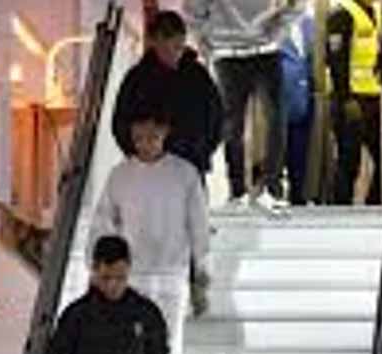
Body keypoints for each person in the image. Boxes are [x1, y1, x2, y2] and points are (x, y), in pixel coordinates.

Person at [90, 105, 208, 354]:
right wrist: (97, 267)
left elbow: (198, 224)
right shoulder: (120, 175)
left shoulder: (184, 174)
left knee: (168, 343)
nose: (145, 143)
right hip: (132, 274)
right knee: (131, 345)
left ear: (165, 133)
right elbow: (103, 222)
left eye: (152, 136)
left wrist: (201, 271)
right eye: (139, 137)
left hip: (171, 272)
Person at [184, 0, 291, 213]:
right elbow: (193, 11)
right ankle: (241, 189)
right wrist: (208, 41)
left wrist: (279, 31)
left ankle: (268, 187)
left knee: (270, 120)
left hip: (260, 48)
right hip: (231, 51)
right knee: (236, 124)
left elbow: (193, 12)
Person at [113, 10, 225, 180]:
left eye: (178, 47)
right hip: (151, 170)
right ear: (154, 42)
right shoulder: (138, 79)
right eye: (166, 48)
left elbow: (217, 118)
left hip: (192, 166)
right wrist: (140, 156)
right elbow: (121, 124)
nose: (174, 54)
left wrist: (203, 152)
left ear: (184, 41)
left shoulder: (198, 76)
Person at [328, 0, 382, 205]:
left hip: (375, 97)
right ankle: (340, 207)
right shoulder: (341, 14)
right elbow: (336, 60)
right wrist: (346, 99)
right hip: (351, 99)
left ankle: (373, 203)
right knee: (349, 160)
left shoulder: (377, 11)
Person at [278, 0, 316, 206]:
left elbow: (312, 58)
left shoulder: (309, 23)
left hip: (304, 95)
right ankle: (275, 192)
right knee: (278, 149)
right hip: (280, 96)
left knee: (300, 148)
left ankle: (298, 193)